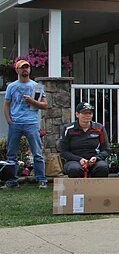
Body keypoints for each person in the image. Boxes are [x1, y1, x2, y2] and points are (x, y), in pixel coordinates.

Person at [3, 58, 48, 189]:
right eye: (22, 67)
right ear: (17, 70)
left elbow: (45, 105)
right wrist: (8, 120)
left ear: (30, 69)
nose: (25, 69)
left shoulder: (36, 86)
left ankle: (42, 179)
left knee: (37, 153)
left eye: (27, 67)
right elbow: (6, 105)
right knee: (12, 154)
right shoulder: (12, 86)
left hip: (31, 123)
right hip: (15, 124)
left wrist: (32, 101)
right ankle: (12, 181)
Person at [59, 103, 110, 178]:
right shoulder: (68, 129)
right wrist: (79, 159)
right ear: (77, 114)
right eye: (84, 113)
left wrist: (97, 158)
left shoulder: (99, 128)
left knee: (102, 167)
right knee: (74, 169)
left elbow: (106, 150)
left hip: (95, 160)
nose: (88, 115)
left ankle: (98, 189)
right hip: (74, 161)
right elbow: (64, 152)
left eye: (90, 113)